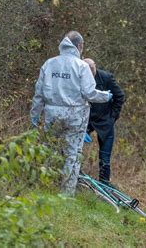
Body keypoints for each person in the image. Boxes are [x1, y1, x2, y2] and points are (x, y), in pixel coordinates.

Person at [30, 31, 112, 196]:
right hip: (75, 115)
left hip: (52, 114)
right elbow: (89, 93)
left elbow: (38, 94)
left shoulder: (49, 64)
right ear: (79, 46)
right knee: (72, 154)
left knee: (50, 150)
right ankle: (65, 194)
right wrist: (106, 96)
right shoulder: (81, 66)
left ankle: (46, 187)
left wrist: (35, 115)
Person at [83, 58, 125, 185]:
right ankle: (77, 178)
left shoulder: (106, 78)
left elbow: (120, 96)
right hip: (86, 120)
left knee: (105, 156)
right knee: (76, 150)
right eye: (87, 70)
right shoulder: (79, 77)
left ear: (95, 66)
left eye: (92, 69)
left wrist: (112, 117)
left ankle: (104, 183)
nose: (90, 73)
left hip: (105, 120)